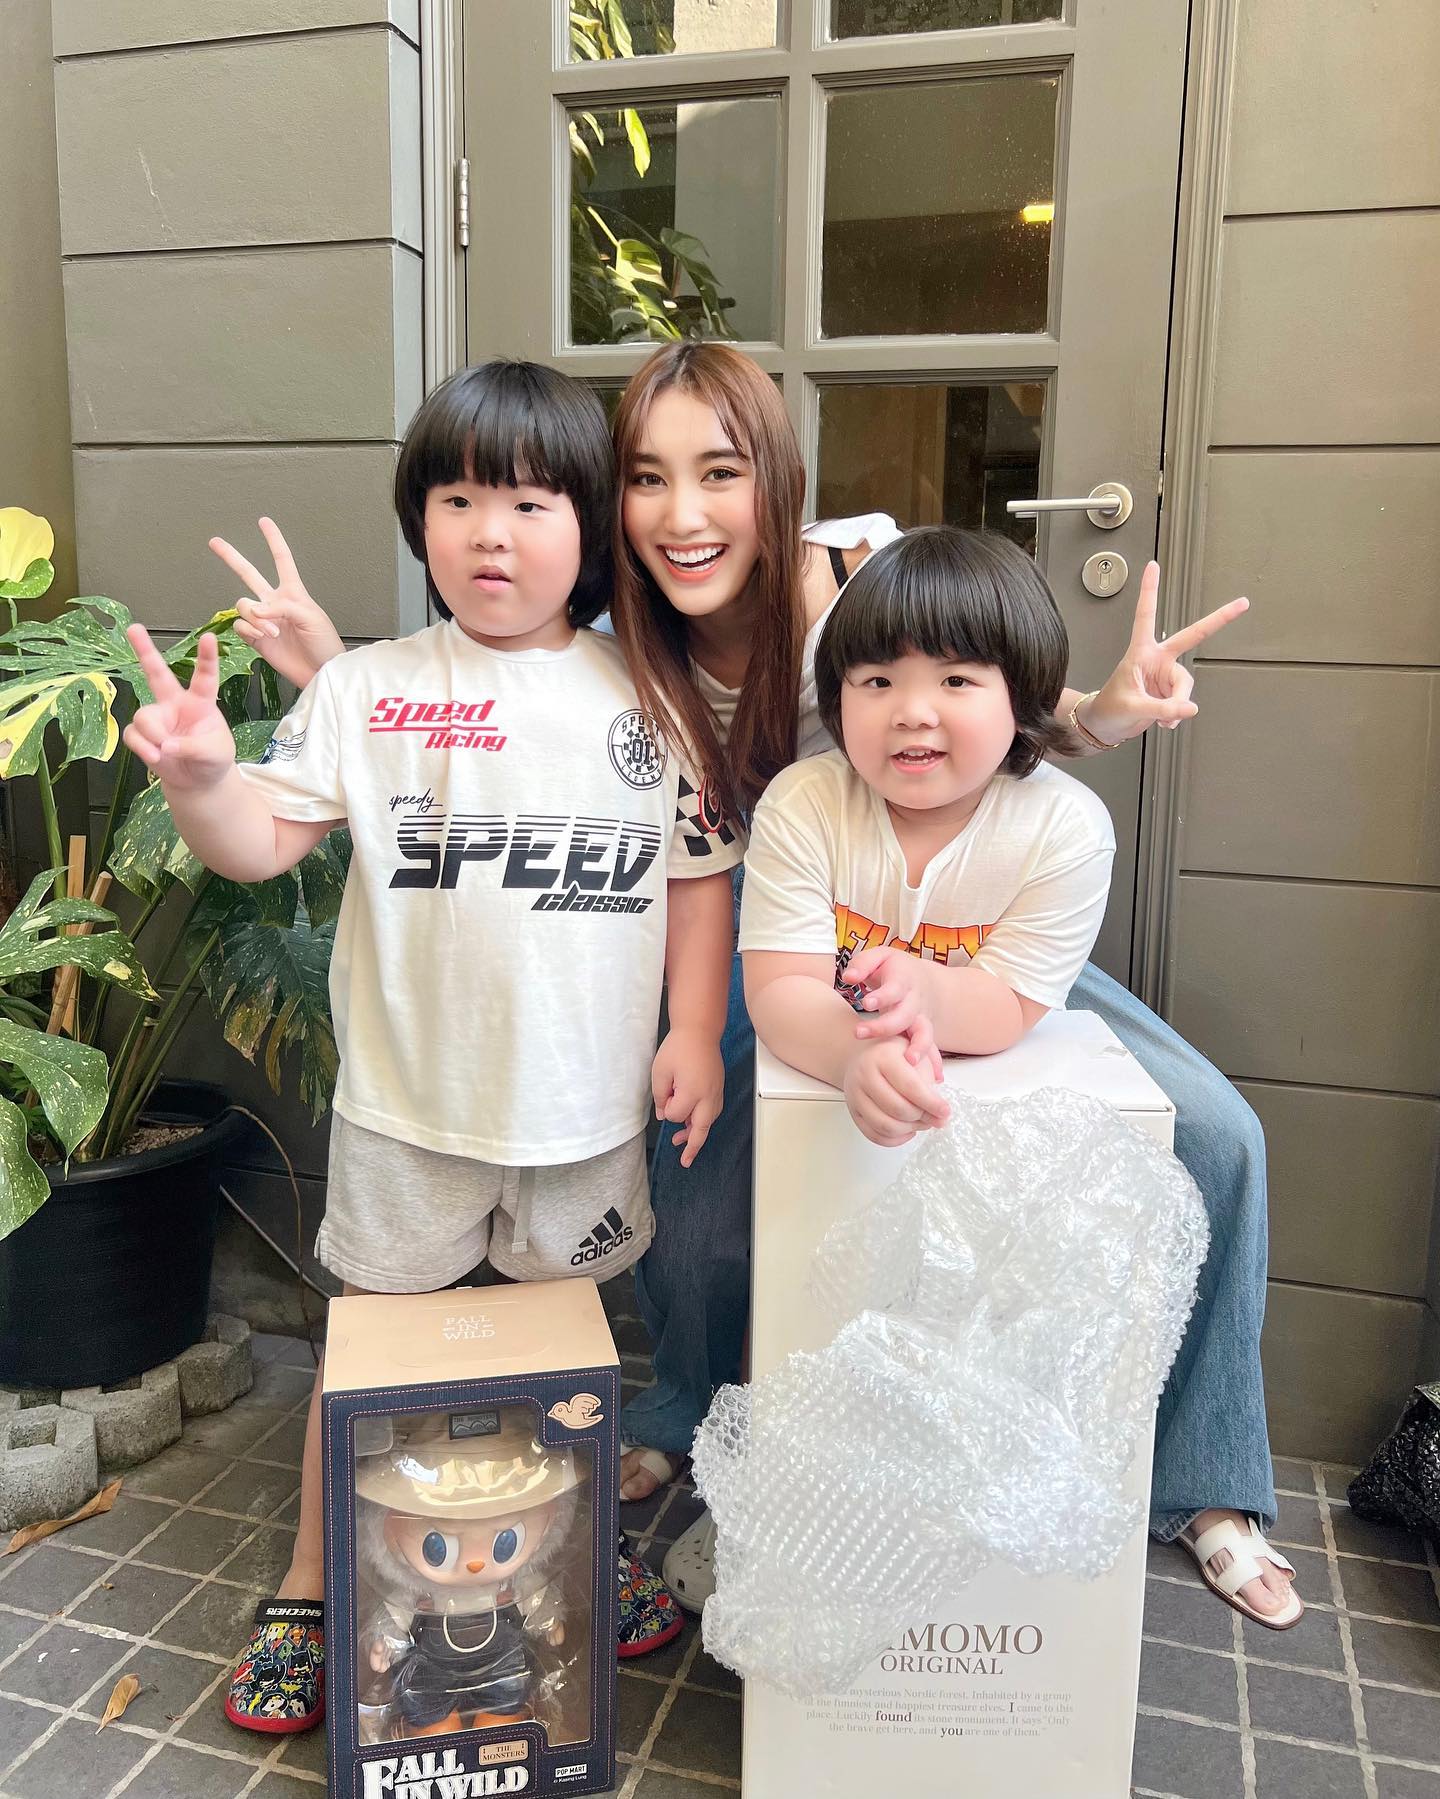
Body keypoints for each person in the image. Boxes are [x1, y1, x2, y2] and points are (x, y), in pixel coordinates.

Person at [215, 340, 1298, 1633]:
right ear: (609, 500)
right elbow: (471, 711)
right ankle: (681, 1405)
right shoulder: (614, 637)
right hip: (761, 935)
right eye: (648, 477)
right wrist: (331, 670)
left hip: (951, 938)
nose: (685, 513)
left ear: (777, 482)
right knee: (697, 1134)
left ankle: (1208, 1482)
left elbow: (987, 688)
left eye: (720, 473)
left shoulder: (853, 584)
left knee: (1214, 1131)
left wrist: (1105, 711)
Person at [126, 361, 741, 1734]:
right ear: (420, 520)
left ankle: (571, 1555)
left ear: (590, 523)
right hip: (408, 1114)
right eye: (457, 499)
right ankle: (311, 1585)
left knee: (564, 1354)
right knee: (371, 1355)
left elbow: (699, 879)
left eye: (528, 501)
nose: (489, 532)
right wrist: (204, 777)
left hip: (584, 1119)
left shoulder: (656, 695)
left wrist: (695, 1026)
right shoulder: (371, 688)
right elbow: (256, 845)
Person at [740, 527, 1114, 1144]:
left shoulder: (1065, 831)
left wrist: (928, 995)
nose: (912, 712)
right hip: (820, 1100)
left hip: (997, 1111)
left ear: (1023, 695)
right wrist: (854, 1055)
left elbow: (1011, 1003)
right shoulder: (803, 805)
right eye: (878, 682)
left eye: (956, 680)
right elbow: (782, 987)